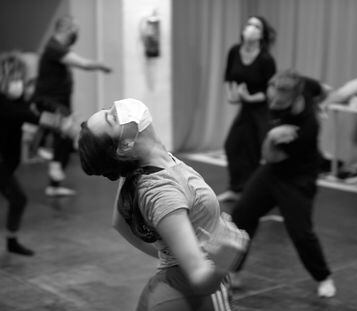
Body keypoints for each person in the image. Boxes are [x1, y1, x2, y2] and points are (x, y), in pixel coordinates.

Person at [77, 98, 249, 310]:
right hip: (193, 294)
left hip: (175, 285)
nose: (117, 108)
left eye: (107, 109)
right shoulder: (162, 192)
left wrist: (169, 253)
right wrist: (224, 259)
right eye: (112, 117)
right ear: (125, 145)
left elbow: (118, 222)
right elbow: (199, 276)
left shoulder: (139, 164)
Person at [229, 70, 336, 298]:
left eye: (280, 100)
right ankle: (233, 271)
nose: (274, 102)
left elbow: (272, 156)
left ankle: (323, 277)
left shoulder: (307, 128)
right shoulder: (301, 85)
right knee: (241, 216)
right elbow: (325, 90)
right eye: (272, 95)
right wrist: (272, 135)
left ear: (297, 97)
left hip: (298, 177)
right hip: (272, 173)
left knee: (300, 232)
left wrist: (270, 139)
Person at [0, 52, 74, 256]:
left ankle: (12, 241)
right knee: (18, 199)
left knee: (18, 200)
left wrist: (56, 110)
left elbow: (33, 108)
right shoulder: (4, 105)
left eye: (20, 80)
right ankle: (12, 241)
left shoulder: (17, 101)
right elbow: (29, 116)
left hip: (7, 164)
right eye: (14, 79)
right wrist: (62, 124)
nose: (19, 84)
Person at [34, 15, 112, 197]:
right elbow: (83, 64)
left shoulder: (60, 48)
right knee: (65, 125)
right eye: (74, 30)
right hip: (47, 100)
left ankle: (54, 185)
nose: (76, 34)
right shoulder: (54, 47)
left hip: (60, 101)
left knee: (66, 136)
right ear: (65, 29)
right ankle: (39, 148)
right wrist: (100, 65)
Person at [217, 16, 277, 202]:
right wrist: (231, 96)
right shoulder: (235, 51)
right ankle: (237, 189)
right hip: (245, 109)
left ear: (262, 34)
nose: (251, 28)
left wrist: (250, 97)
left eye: (256, 26)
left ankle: (259, 193)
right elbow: (229, 77)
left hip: (261, 109)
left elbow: (271, 90)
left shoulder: (266, 59)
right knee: (233, 146)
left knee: (259, 151)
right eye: (249, 24)